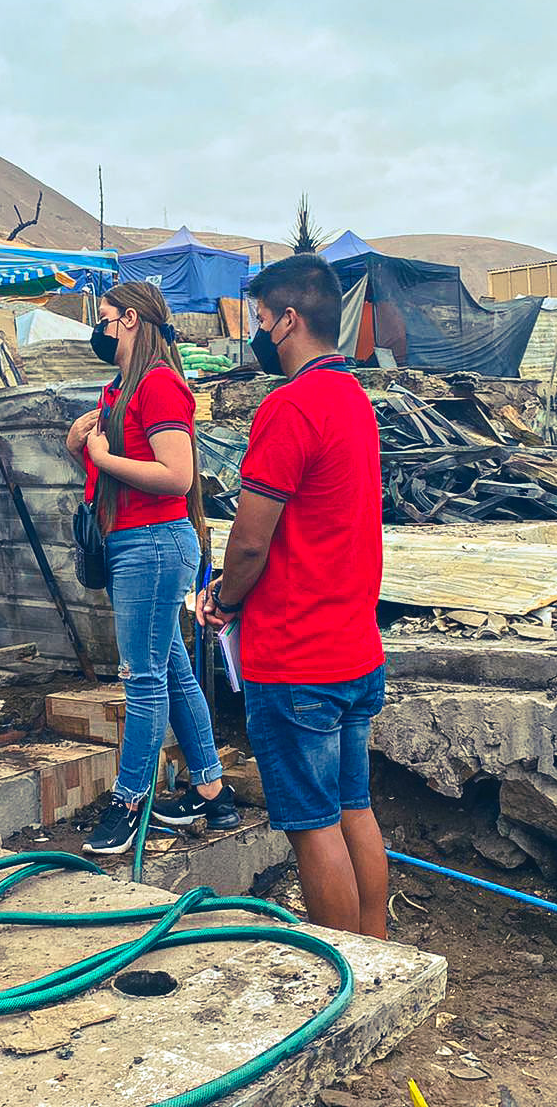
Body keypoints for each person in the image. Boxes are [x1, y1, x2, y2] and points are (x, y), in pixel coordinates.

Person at [196, 254, 388, 939]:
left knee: (312, 827)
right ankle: (379, 956)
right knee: (353, 806)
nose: (259, 333)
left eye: (259, 319)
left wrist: (224, 595)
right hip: (356, 650)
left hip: (298, 655)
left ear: (288, 319)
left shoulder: (290, 405)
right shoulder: (353, 399)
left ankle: (348, 970)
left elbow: (249, 542)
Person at [65, 281, 238, 856]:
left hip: (154, 544)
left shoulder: (160, 384)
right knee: (173, 672)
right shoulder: (122, 388)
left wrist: (103, 456)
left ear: (131, 320)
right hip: (135, 542)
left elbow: (176, 476)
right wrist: (83, 443)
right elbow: (117, 458)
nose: (101, 327)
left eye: (107, 317)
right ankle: (213, 793)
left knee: (142, 678)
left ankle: (128, 801)